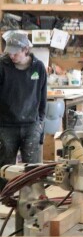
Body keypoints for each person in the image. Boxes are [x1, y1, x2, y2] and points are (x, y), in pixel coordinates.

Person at [0, 31, 48, 168]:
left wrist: (40, 121)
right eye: (9, 53)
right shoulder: (2, 66)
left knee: (32, 169)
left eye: (15, 53)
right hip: (6, 126)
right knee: (5, 168)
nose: (11, 56)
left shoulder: (38, 67)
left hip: (31, 125)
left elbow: (43, 96)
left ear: (26, 50)